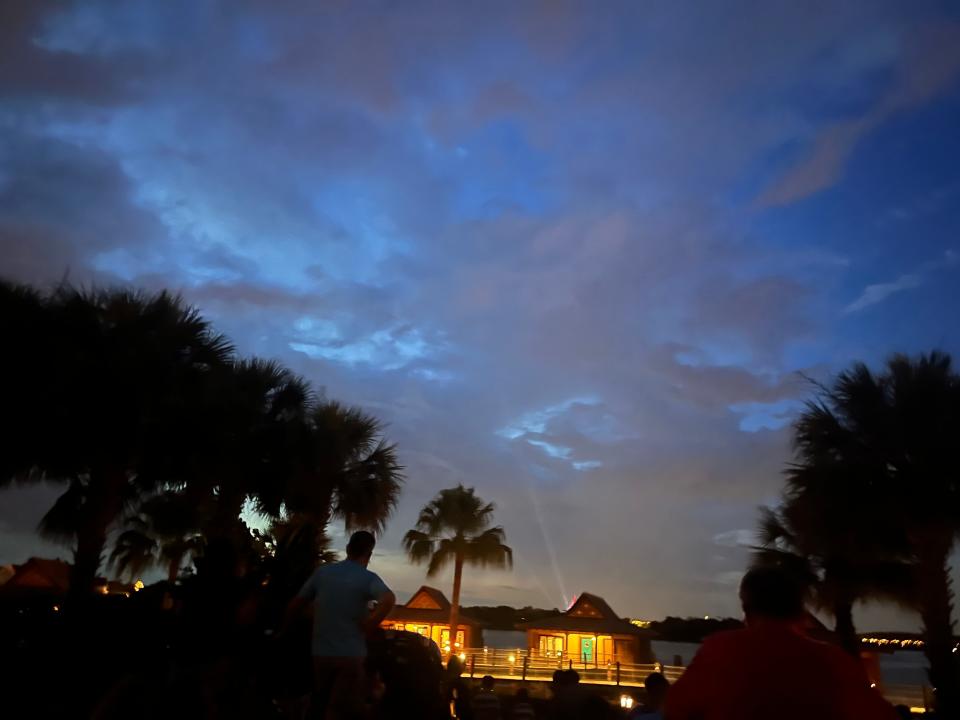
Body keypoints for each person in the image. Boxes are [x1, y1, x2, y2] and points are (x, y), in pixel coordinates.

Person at [665, 566, 898, 720]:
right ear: (801, 613)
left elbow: (675, 708)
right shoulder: (835, 662)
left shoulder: (720, 651)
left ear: (747, 612)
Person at [280, 530, 396, 720]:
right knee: (340, 709)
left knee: (321, 703)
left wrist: (283, 629)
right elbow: (389, 599)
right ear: (369, 555)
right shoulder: (367, 578)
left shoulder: (323, 573)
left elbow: (295, 604)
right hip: (351, 655)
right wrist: (370, 623)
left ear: (348, 548)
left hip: (321, 653)